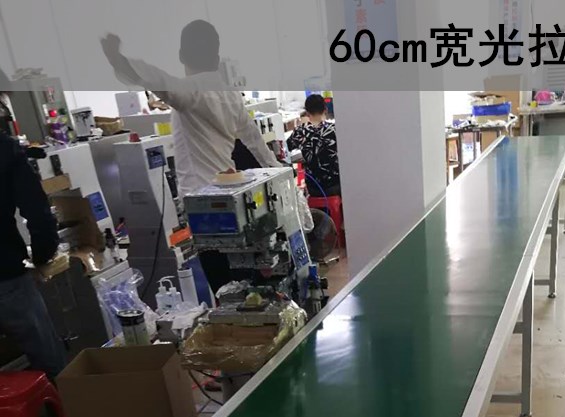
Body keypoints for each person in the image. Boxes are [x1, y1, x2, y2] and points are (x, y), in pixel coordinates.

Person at [100, 21, 278, 294]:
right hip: (230, 197)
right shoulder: (230, 96)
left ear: (182, 55)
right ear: (216, 57)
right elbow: (255, 141)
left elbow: (154, 78)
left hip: (204, 207)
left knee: (225, 289)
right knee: (245, 280)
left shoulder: (190, 91)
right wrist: (278, 170)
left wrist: (116, 58)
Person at [0, 133, 67, 378]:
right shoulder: (5, 149)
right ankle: (63, 400)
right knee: (48, 360)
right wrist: (41, 256)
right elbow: (38, 213)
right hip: (6, 275)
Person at [288, 94, 340, 197]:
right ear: (325, 109)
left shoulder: (300, 131)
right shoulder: (334, 130)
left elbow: (287, 148)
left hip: (313, 187)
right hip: (334, 184)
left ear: (307, 112)